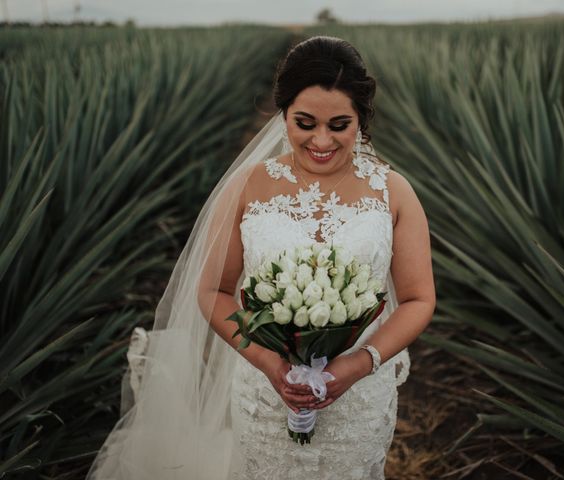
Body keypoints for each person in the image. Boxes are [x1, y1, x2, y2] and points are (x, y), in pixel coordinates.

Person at [86, 35, 435, 480]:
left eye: (339, 124)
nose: (321, 141)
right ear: (283, 114)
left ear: (361, 120)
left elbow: (419, 299)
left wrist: (357, 364)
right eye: (305, 123)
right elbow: (214, 291)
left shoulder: (393, 190)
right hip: (266, 395)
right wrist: (270, 364)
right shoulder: (248, 186)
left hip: (359, 401)